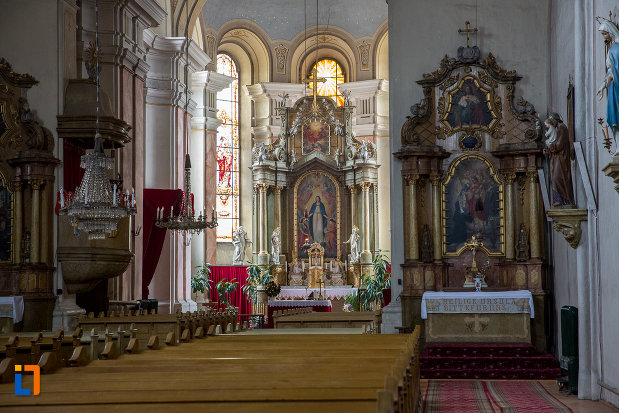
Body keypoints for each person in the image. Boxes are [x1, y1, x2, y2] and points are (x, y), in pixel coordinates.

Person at [544, 114, 574, 206]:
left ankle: (564, 200)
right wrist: (549, 150)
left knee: (557, 179)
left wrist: (551, 146)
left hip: (562, 158)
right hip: (558, 158)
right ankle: (560, 200)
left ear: (555, 120)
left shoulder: (562, 128)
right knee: (555, 179)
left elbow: (559, 144)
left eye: (552, 121)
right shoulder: (559, 129)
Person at [598, 18, 619, 148]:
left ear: (611, 31)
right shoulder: (612, 49)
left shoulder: (616, 49)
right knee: (613, 117)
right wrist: (603, 86)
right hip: (612, 87)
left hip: (616, 86)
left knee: (617, 114)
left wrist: (612, 77)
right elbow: (610, 70)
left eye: (605, 33)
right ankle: (618, 146)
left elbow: (616, 69)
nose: (604, 37)